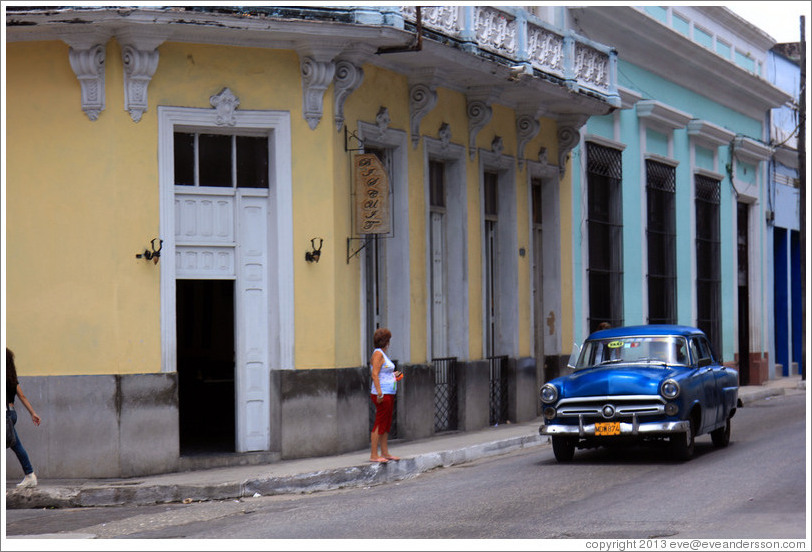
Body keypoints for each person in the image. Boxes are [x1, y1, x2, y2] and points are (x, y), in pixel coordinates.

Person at [6, 348, 41, 487]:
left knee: (16, 446)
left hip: (5, 415)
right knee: (17, 446)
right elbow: (22, 396)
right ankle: (30, 475)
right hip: (11, 413)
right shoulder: (12, 379)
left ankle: (30, 475)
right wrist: (33, 413)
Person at [368, 328, 401, 463]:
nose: (389, 343)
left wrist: (394, 375)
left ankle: (385, 452)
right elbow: (375, 374)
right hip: (382, 394)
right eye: (388, 340)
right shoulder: (378, 354)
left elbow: (383, 373)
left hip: (389, 392)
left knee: (386, 423)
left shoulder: (382, 354)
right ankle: (374, 454)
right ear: (385, 342)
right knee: (379, 423)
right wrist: (380, 392)